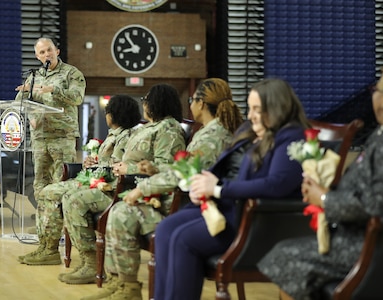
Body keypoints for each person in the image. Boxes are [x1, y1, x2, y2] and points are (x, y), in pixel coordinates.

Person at [81, 78, 244, 300]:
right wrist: (154, 170)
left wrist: (143, 188)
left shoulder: (212, 137)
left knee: (122, 213)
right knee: (120, 210)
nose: (190, 104)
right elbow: (181, 169)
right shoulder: (209, 132)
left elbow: (183, 173)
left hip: (186, 207)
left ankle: (128, 287)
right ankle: (121, 283)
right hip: (185, 202)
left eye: (192, 100)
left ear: (202, 104)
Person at [153, 78, 311, 300]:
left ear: (277, 107)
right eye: (250, 108)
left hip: (253, 219)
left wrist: (217, 188)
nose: (251, 115)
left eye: (258, 109)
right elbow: (230, 168)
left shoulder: (292, 136)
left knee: (182, 239)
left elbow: (276, 185)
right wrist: (205, 183)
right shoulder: (252, 130)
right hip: (226, 206)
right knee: (165, 229)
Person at [257, 75, 383, 300]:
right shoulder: (379, 135)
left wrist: (325, 199)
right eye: (377, 91)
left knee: (284, 257)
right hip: (353, 234)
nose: (377, 98)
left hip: (367, 245)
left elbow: (374, 205)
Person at [60, 83, 186, 285]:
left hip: (137, 190)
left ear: (157, 102)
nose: (144, 104)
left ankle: (93, 266)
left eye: (146, 100)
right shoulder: (149, 127)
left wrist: (129, 170)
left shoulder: (169, 130)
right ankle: (90, 263)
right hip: (122, 184)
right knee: (70, 197)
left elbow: (166, 167)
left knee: (75, 201)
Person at [18, 95, 141, 266]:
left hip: (105, 187)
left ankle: (61, 252)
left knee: (52, 193)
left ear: (113, 115)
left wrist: (99, 168)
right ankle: (47, 247)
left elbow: (121, 167)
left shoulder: (129, 137)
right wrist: (92, 163)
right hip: (94, 180)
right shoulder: (115, 134)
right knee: (47, 192)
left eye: (107, 112)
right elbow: (108, 163)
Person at [14, 37, 86, 201]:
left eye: (49, 50)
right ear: (37, 57)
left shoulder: (71, 73)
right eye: (42, 52)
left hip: (62, 137)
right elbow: (20, 101)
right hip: (39, 137)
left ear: (57, 51)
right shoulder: (34, 77)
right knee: (40, 184)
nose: (47, 54)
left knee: (63, 183)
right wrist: (31, 115)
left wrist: (53, 89)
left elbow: (77, 97)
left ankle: (62, 225)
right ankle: (44, 224)